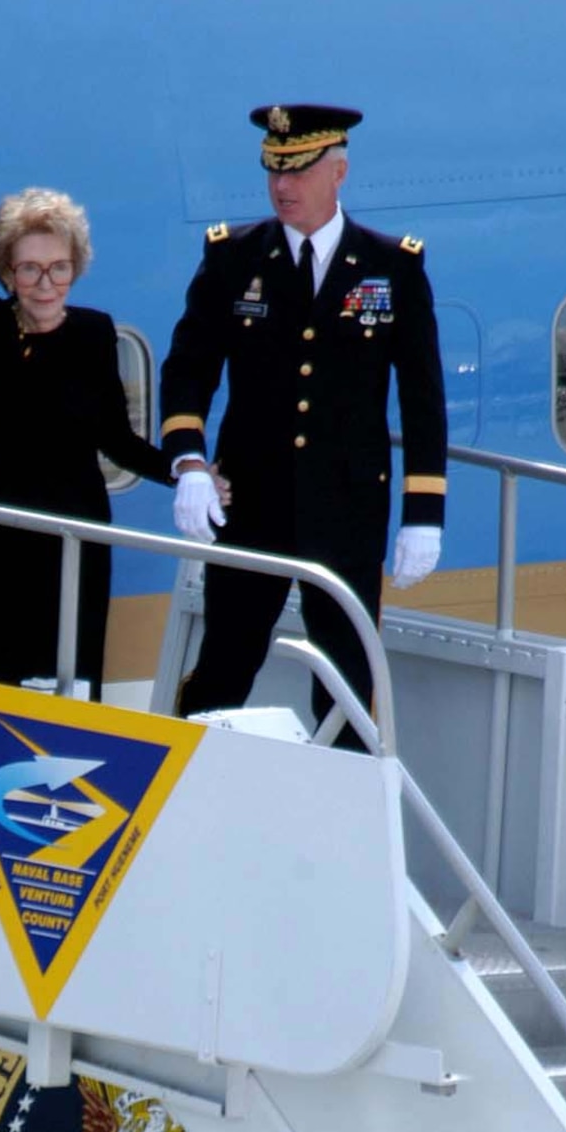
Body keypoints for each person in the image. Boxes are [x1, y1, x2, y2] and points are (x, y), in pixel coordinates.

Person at [161, 104, 447, 741]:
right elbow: (187, 370)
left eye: (297, 170)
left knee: (344, 684)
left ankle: (341, 818)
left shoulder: (391, 266)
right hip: (251, 501)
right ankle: (187, 796)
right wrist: (187, 463)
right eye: (273, 170)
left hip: (346, 506)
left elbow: (423, 400)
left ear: (338, 171)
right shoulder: (233, 258)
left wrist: (423, 514)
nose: (281, 186)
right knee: (223, 668)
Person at [0, 171, 173, 697]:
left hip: (77, 529)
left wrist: (186, 472)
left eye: (58, 269)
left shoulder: (94, 331)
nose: (45, 284)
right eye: (31, 269)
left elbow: (117, 440)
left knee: (74, 674)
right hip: (3, 527)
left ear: (75, 268)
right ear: (8, 273)